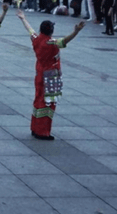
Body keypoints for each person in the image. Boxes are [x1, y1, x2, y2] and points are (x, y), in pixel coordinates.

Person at [16, 9, 85, 140]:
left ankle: (35, 127)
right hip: (50, 76)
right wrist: (76, 31)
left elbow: (29, 30)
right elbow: (64, 41)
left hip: (39, 73)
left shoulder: (37, 39)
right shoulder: (51, 43)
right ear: (51, 31)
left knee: (38, 99)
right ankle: (42, 131)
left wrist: (23, 18)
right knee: (47, 103)